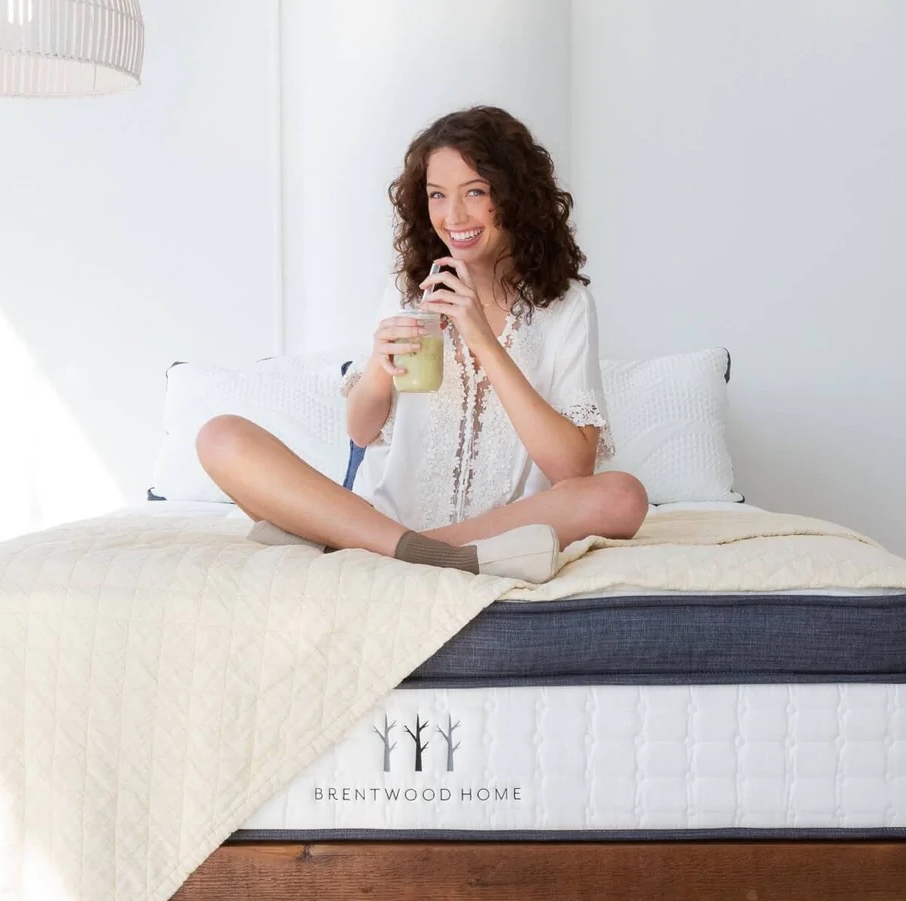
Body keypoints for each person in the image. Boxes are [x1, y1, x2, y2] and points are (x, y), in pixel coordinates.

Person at [196, 105, 648, 584]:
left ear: (517, 196)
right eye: (437, 195)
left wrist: (484, 340)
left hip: (499, 528)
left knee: (622, 496)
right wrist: (377, 365)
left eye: (475, 192)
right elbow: (361, 430)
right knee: (219, 436)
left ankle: (377, 545)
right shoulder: (411, 292)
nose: (453, 216)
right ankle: (402, 544)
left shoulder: (565, 306)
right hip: (386, 513)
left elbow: (572, 469)